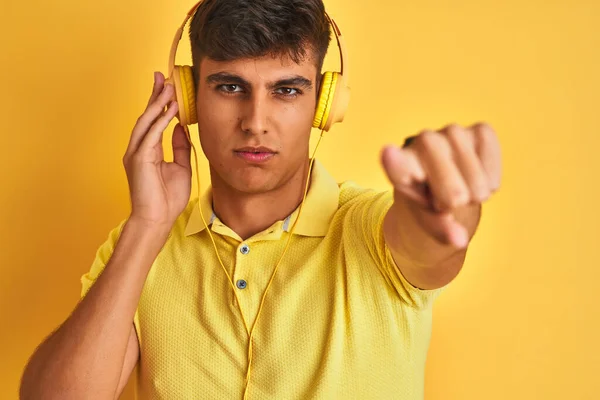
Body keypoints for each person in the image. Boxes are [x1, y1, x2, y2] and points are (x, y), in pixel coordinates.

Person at [19, 0, 502, 399]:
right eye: (230, 87)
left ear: (323, 106)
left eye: (286, 90)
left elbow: (426, 240)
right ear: (186, 100)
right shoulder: (141, 249)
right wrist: (146, 226)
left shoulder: (371, 231)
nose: (255, 121)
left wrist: (443, 202)